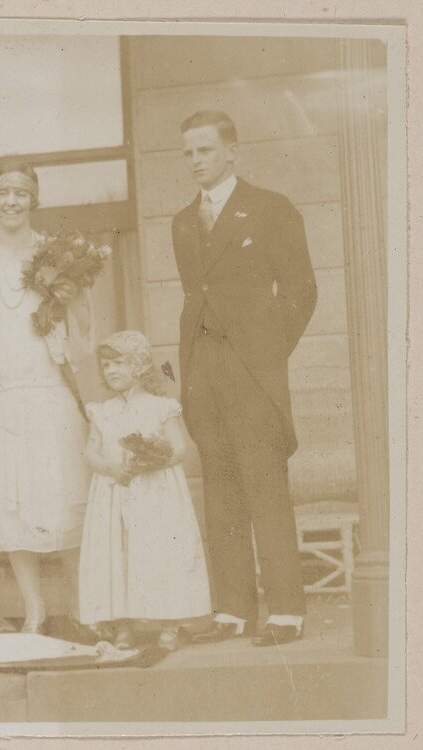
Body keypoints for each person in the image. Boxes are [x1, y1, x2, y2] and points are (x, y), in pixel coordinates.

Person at [173, 111, 317, 647]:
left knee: (264, 487)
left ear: (231, 152)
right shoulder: (183, 222)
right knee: (221, 489)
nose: (195, 161)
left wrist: (266, 353)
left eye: (205, 151)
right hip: (203, 370)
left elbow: (301, 291)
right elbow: (196, 298)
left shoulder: (270, 208)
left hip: (252, 369)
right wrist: (187, 372)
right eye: (187, 152)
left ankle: (285, 612)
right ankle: (232, 610)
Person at [0, 162, 90, 634]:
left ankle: (83, 602)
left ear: (33, 200)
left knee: (61, 500)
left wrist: (67, 301)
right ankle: (35, 608)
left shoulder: (57, 256)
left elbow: (80, 333)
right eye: (3, 192)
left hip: (46, 392)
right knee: (10, 509)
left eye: (21, 193)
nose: (11, 201)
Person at [79, 330, 210, 651]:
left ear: (138, 366)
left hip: (156, 494)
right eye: (106, 365)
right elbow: (90, 452)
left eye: (118, 363)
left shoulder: (159, 407)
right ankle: (122, 623)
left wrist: (154, 458)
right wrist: (111, 468)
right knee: (118, 552)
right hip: (114, 491)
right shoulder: (102, 411)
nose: (110, 371)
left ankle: (170, 622)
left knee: (158, 551)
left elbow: (179, 448)